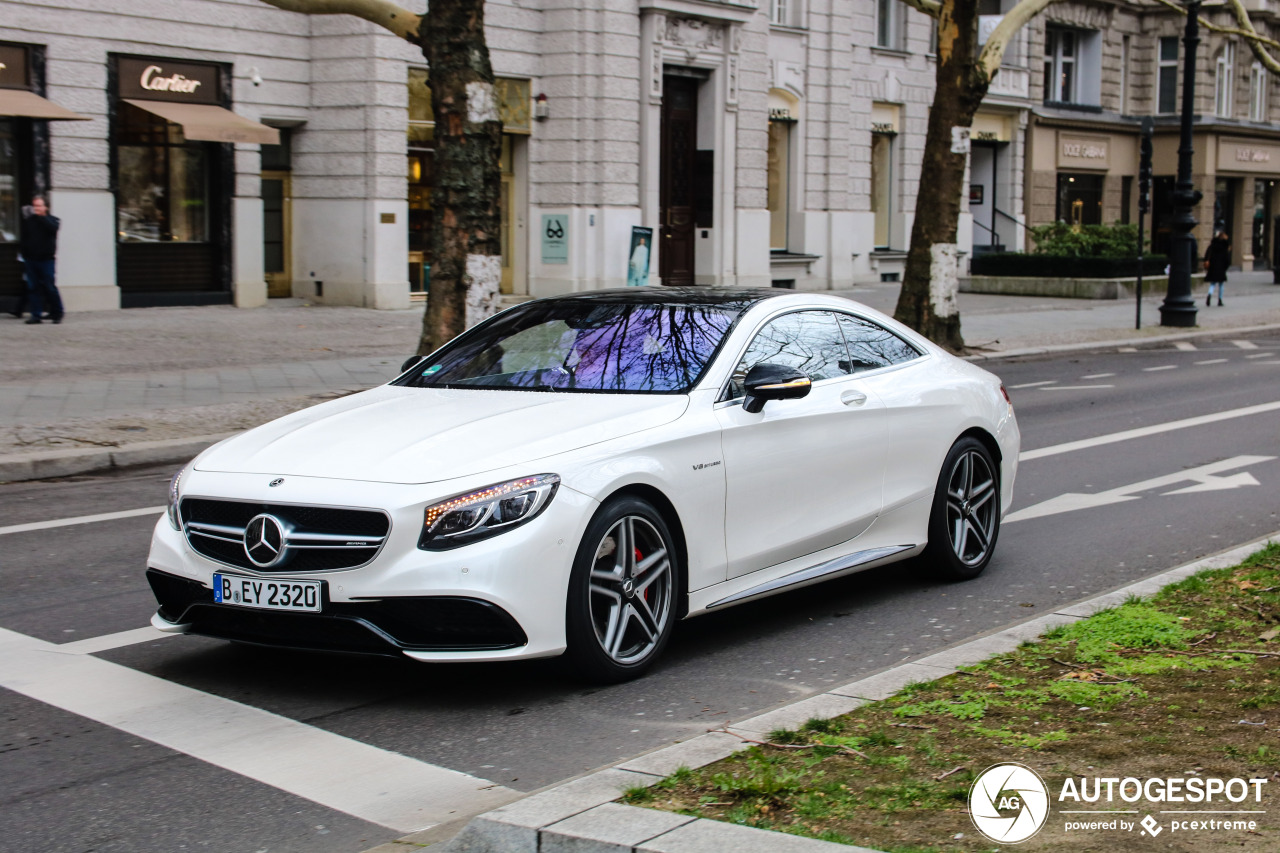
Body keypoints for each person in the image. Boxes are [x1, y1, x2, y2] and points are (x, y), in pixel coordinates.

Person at [19, 195, 63, 325]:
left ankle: (57, 312)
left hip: (46, 260)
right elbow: (25, 238)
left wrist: (42, 217)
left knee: (49, 286)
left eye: (39, 205)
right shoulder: (29, 221)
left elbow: (52, 229)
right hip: (31, 260)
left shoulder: (53, 220)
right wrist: (25, 255)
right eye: (35, 206)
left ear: (46, 207)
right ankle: (36, 315)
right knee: (33, 288)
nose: (36, 208)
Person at [1204, 229, 1230, 307]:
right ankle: (1220, 300)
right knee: (1221, 284)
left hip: (1213, 267)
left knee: (1212, 283)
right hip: (1221, 267)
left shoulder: (1212, 245)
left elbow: (1207, 255)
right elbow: (1227, 259)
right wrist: (1225, 267)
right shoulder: (1224, 247)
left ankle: (1209, 294)